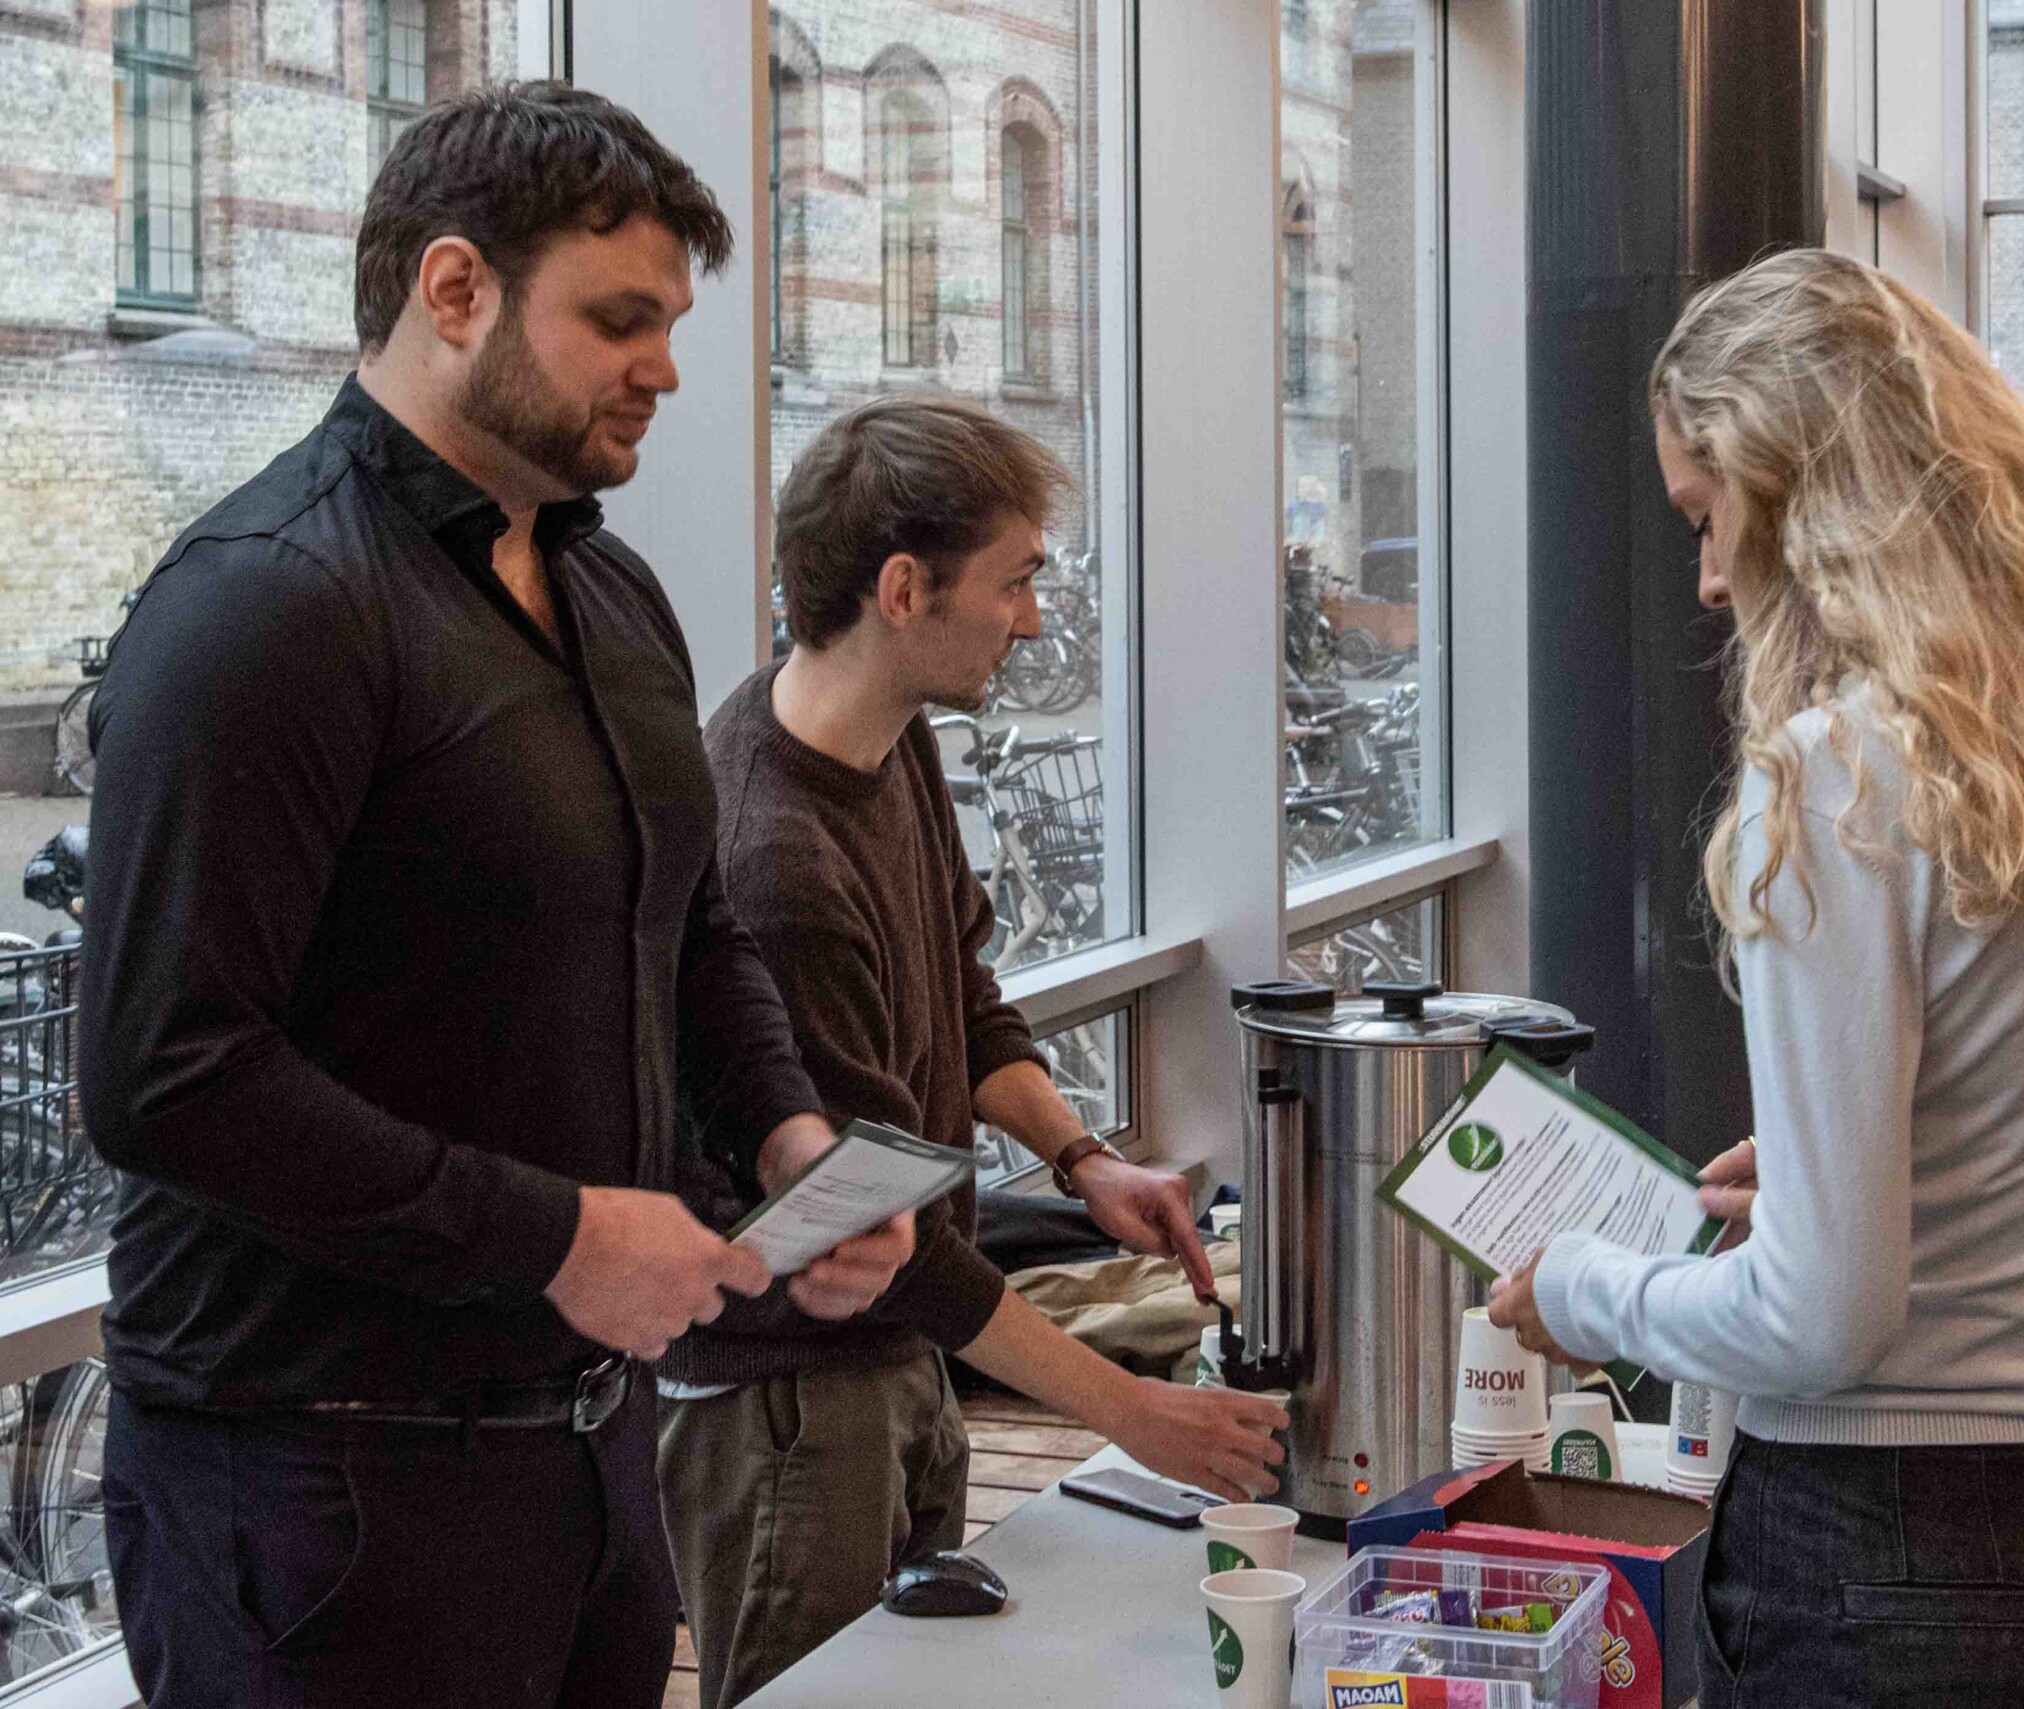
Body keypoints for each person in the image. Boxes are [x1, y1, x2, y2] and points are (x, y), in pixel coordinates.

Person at [79, 84, 914, 1709]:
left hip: (588, 1467)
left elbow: (691, 929)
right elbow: (164, 1075)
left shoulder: (613, 588)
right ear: (451, 290)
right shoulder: (266, 605)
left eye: (670, 320)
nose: (664, 366)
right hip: (312, 1498)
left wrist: (788, 1138)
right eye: (619, 320)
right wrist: (555, 1235)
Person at [1486, 248, 2024, 1707]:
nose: (1708, 580)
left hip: (1904, 1576)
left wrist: (1588, 1288)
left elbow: (1823, 1320)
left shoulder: (1835, 783)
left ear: (1802, 494)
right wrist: (1960, 1185)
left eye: (1711, 520)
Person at [657, 396, 1287, 1709]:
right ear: (902, 587)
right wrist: (1137, 1413)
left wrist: (1081, 1156)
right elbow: (889, 1242)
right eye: (1014, 583)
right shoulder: (774, 858)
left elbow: (967, 989)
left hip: (896, 1365)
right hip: (792, 1409)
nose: (1035, 621)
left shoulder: (893, 745)